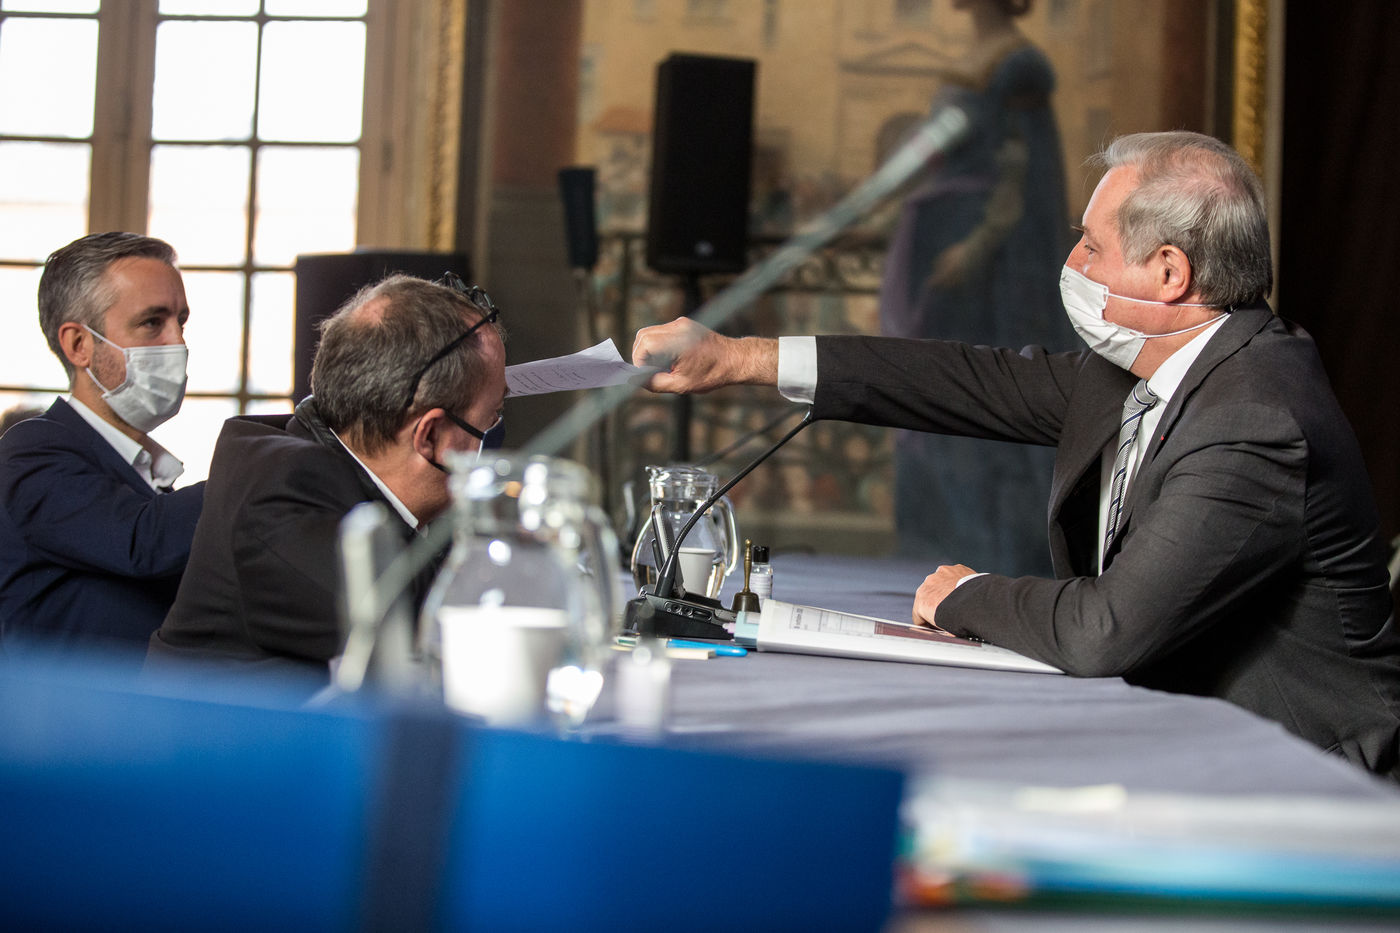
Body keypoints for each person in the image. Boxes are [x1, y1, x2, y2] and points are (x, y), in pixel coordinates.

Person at [631, 131, 1400, 779]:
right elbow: (968, 379)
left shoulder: (1255, 415)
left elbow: (1107, 628)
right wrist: (740, 357)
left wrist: (967, 595)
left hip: (1310, 780)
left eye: (1093, 246)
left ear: (1169, 273)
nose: (1074, 263)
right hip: (1195, 740)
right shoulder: (1156, 366)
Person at [147, 274, 507, 690]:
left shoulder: (327, 460)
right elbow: (434, 621)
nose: (495, 433)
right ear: (430, 436)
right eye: (493, 417)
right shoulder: (279, 497)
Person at [879, 0, 1076, 575]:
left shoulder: (1017, 65)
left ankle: (992, 561)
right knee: (934, 388)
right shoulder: (981, 58)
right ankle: (937, 553)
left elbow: (1023, 175)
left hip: (990, 269)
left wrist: (977, 246)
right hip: (945, 249)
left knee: (976, 386)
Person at [0, 233, 203, 660]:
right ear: (80, 345)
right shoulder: (30, 453)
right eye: (152, 323)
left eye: (180, 322)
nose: (178, 343)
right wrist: (269, 464)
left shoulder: (149, 479)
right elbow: (143, 543)